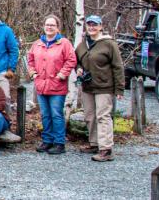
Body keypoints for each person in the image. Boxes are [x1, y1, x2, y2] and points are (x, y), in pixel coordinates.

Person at [75, 15, 125, 162]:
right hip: (88, 86)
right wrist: (78, 69)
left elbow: (118, 66)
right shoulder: (82, 45)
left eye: (94, 25)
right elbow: (76, 61)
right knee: (89, 116)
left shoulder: (109, 44)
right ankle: (94, 143)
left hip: (104, 86)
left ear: (101, 26)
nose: (91, 27)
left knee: (103, 116)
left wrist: (119, 88)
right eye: (89, 25)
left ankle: (106, 148)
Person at [27, 14, 77, 155]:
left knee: (56, 114)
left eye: (52, 25)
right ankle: (47, 141)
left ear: (57, 27)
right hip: (41, 85)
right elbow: (30, 60)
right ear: (43, 26)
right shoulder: (37, 44)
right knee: (45, 115)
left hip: (57, 85)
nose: (49, 27)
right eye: (47, 25)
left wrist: (62, 73)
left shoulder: (64, 43)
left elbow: (71, 60)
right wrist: (32, 73)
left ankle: (59, 143)